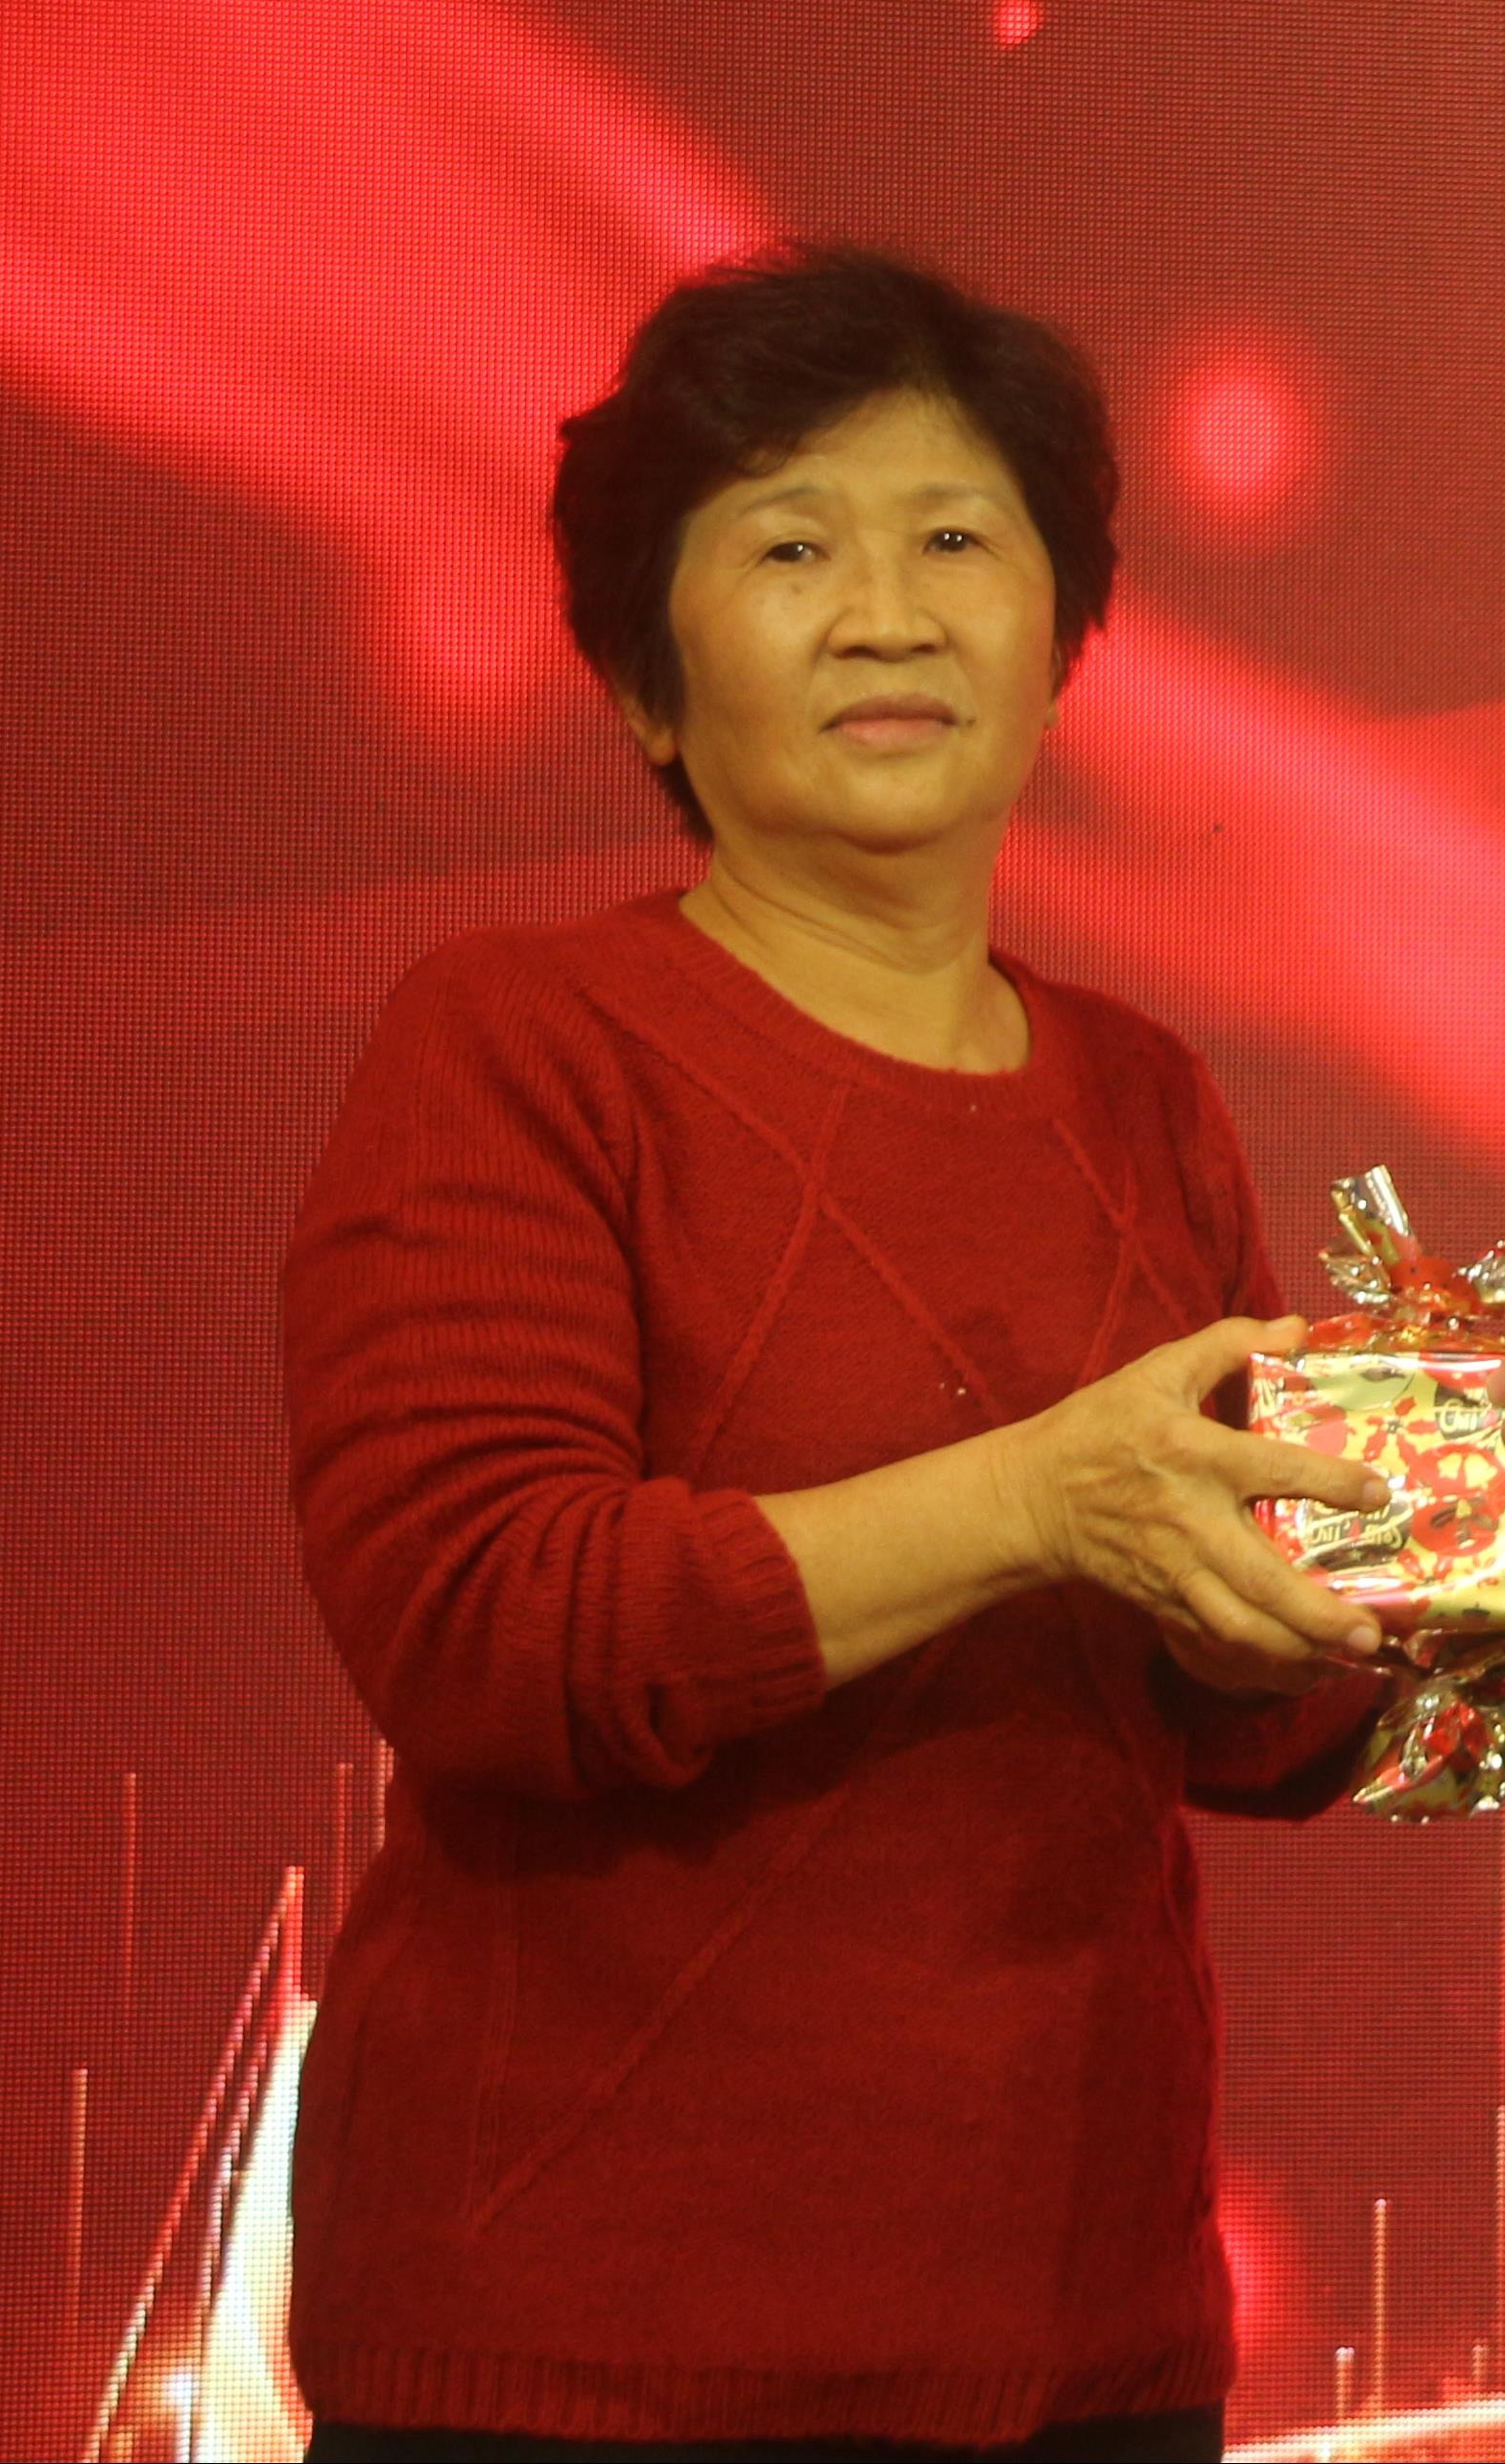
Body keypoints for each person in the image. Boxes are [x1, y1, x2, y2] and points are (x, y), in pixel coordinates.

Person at [278, 243, 1401, 2461]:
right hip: (585, 2357)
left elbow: (1238, 1725)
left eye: (957, 541)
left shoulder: (1146, 1094)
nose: (888, 612)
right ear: (645, 683)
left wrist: (1420, 1587)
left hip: (1087, 2347)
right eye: (793, 548)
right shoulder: (520, 1039)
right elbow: (482, 1622)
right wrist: (1037, 1505)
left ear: (1061, 649)